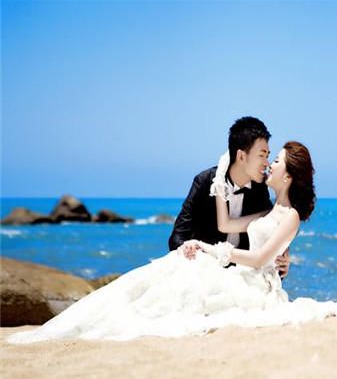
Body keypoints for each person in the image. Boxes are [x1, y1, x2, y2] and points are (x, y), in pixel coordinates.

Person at [8, 141, 316, 343]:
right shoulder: (268, 208)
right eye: (269, 157)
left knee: (193, 283)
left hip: (253, 284)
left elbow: (262, 257)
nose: (270, 164)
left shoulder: (290, 215)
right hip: (239, 272)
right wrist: (220, 181)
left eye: (276, 160)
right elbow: (227, 226)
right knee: (178, 267)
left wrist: (215, 250)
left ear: (288, 176)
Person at [169, 116, 291, 278]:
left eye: (268, 156)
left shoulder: (260, 188)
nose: (266, 163)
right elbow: (177, 236)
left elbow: (269, 232)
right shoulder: (205, 181)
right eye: (261, 155)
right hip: (202, 272)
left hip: (241, 276)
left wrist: (282, 263)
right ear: (241, 156)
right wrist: (190, 251)